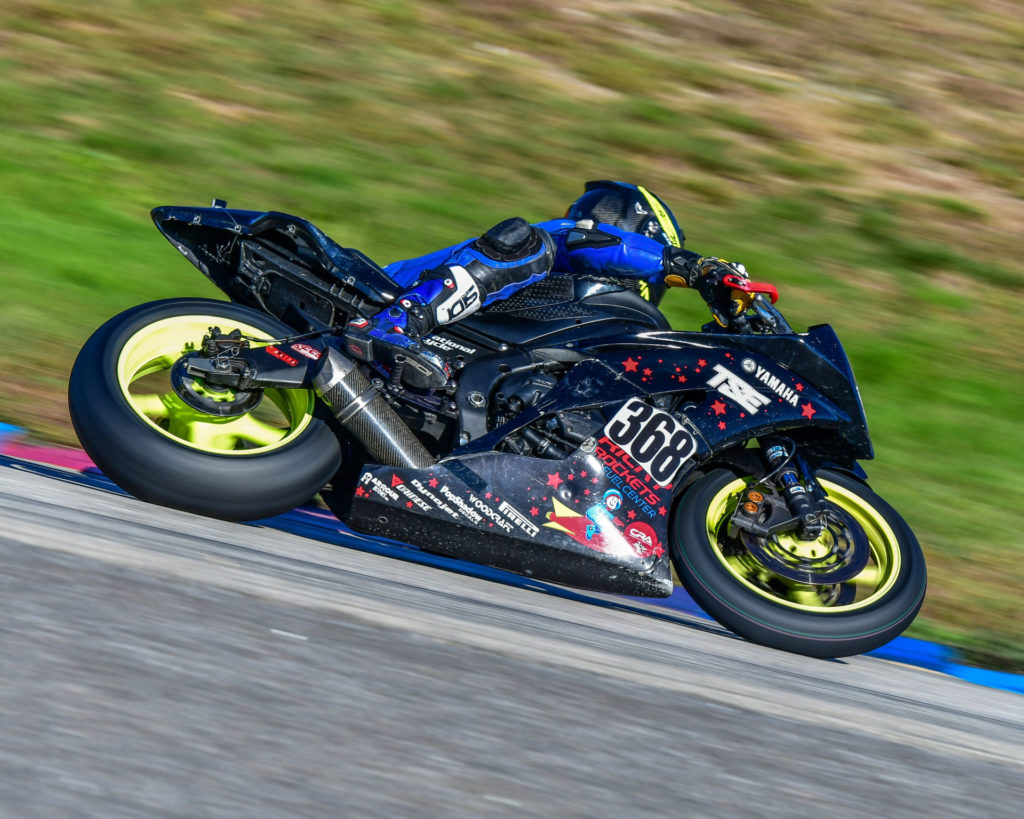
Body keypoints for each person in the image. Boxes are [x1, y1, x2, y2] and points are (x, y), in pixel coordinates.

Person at [344, 180, 751, 389]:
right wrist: (693, 267)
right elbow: (584, 241)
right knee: (534, 242)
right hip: (377, 290)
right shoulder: (568, 241)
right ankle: (398, 322)